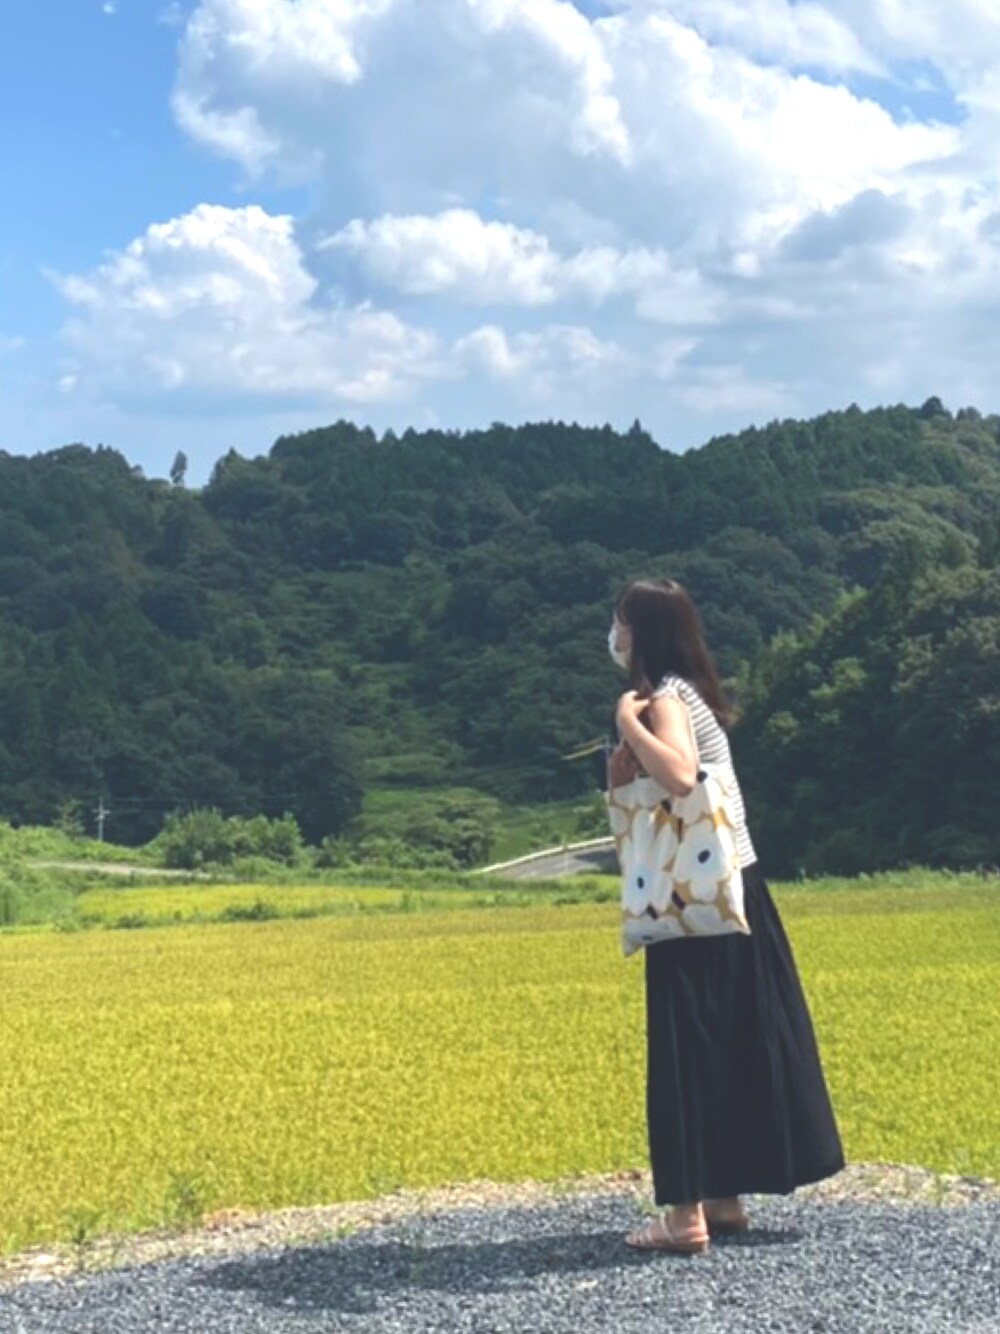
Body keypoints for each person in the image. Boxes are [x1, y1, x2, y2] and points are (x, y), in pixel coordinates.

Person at [607, 577, 845, 1255]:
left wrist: (628, 723)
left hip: (693, 897)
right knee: (735, 1035)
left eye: (621, 622)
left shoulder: (664, 698)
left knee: (686, 1045)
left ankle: (685, 1215)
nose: (614, 635)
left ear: (641, 633)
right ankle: (724, 1197)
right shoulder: (691, 693)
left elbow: (680, 775)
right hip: (735, 884)